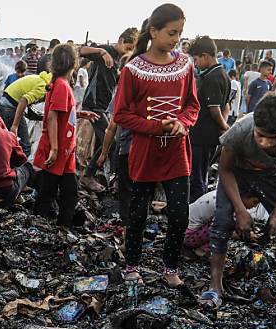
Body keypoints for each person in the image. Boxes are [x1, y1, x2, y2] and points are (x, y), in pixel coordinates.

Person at [203, 93, 276, 308]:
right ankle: (215, 285)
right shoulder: (239, 131)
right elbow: (225, 169)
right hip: (236, 174)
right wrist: (240, 209)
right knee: (222, 222)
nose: (265, 143)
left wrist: (275, 215)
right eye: (260, 136)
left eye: (273, 138)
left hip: (272, 178)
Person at [114, 4, 198, 287]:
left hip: (177, 153)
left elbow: (191, 105)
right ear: (154, 31)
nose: (176, 39)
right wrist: (155, 127)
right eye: (172, 33)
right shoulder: (133, 69)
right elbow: (122, 114)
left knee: (179, 213)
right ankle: (132, 265)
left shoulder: (185, 65)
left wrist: (182, 124)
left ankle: (171, 268)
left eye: (180, 33)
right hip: (145, 153)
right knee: (138, 212)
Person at [78, 28, 138, 194]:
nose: (129, 51)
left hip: (106, 105)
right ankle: (87, 176)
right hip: (94, 103)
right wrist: (102, 51)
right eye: (127, 47)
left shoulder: (121, 58)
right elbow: (81, 50)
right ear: (120, 40)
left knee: (101, 140)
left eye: (132, 49)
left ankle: (96, 175)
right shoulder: (108, 50)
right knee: (108, 140)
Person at [33, 44, 81, 227]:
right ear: (73, 64)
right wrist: (54, 148)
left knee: (66, 192)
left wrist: (80, 114)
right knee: (51, 192)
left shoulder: (61, 83)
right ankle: (40, 227)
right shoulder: (61, 85)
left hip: (65, 150)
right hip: (59, 149)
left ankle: (61, 228)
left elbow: (62, 113)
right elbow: (53, 116)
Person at [188, 36, 229, 202]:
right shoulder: (222, 75)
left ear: (205, 56)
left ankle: (194, 214)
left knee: (197, 177)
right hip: (207, 136)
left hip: (202, 136)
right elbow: (226, 107)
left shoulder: (213, 77)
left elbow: (215, 110)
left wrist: (225, 128)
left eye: (196, 59)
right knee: (200, 174)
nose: (196, 64)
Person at [185, 188, 266, 255]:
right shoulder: (225, 206)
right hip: (186, 236)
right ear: (244, 196)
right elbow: (223, 229)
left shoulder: (224, 194)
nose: (254, 206)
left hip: (183, 226)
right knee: (223, 230)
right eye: (254, 202)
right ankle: (201, 251)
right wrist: (246, 236)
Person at [0, 70, 51, 157]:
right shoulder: (44, 88)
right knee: (25, 146)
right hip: (10, 107)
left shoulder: (40, 79)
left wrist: (39, 116)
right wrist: (15, 126)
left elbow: (28, 103)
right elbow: (23, 100)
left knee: (12, 144)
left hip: (7, 103)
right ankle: (19, 168)